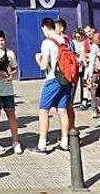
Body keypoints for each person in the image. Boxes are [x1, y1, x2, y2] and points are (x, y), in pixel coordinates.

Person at [30, 18, 72, 155]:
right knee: (62, 110)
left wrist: (37, 59)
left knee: (43, 111)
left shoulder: (47, 42)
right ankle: (65, 143)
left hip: (53, 79)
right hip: (66, 79)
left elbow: (44, 65)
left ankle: (42, 145)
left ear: (45, 28)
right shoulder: (64, 40)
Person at [86, 30, 100, 122]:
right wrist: (90, 76)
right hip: (95, 73)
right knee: (94, 92)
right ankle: (95, 110)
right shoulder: (94, 47)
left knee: (98, 92)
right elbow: (91, 62)